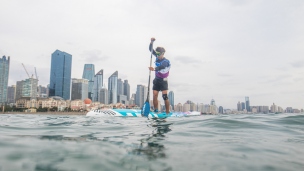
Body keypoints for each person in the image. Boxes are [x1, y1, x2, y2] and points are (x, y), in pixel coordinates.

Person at [148, 37, 171, 114]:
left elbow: (161, 67)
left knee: (165, 97)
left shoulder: (166, 61)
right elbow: (150, 50)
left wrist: (153, 69)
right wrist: (151, 42)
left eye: (159, 54)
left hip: (163, 80)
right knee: (155, 95)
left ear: (163, 54)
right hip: (157, 79)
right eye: (156, 54)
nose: (157, 55)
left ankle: (167, 112)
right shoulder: (157, 57)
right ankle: (156, 110)